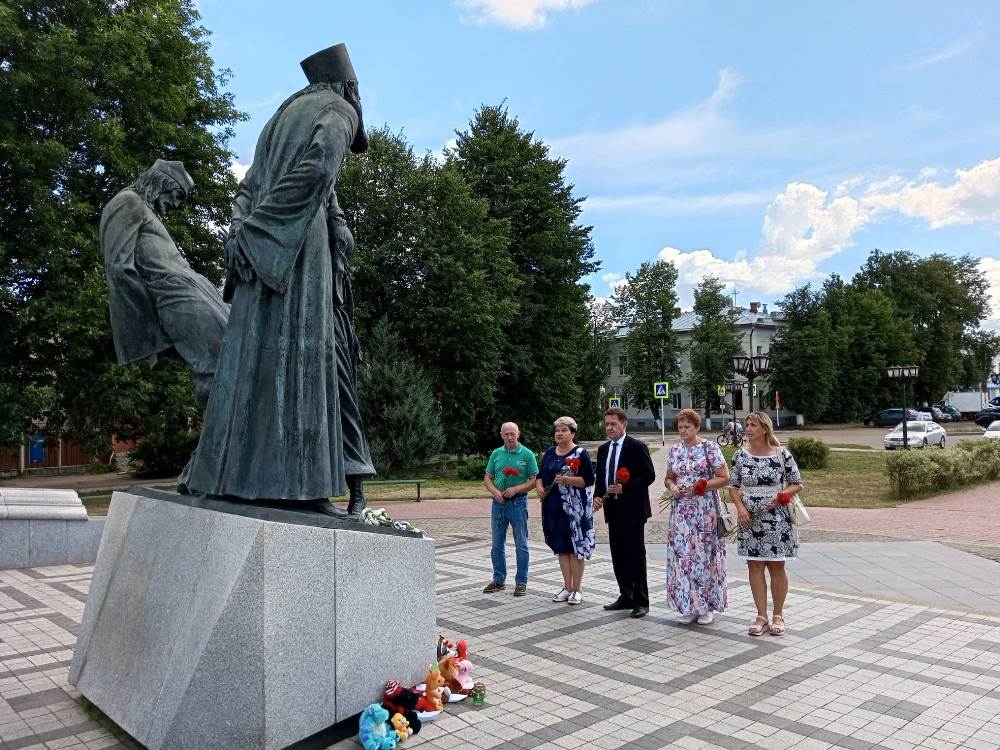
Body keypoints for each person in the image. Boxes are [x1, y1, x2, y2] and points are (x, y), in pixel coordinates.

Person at [186, 43, 372, 512]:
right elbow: (318, 170)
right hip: (296, 255)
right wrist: (268, 233)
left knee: (252, 368)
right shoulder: (339, 110)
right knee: (302, 368)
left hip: (258, 249)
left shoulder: (277, 120)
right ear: (349, 85)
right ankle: (301, 488)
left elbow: (248, 187)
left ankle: (236, 480)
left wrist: (241, 236)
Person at [101, 159, 229, 409]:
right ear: (162, 183)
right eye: (178, 195)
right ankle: (221, 442)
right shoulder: (128, 202)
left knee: (235, 353)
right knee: (218, 366)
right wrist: (152, 330)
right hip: (175, 298)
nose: (176, 204)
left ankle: (229, 440)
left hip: (196, 293)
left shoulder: (145, 209)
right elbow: (119, 269)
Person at [728, 411, 804, 636]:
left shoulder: (782, 454)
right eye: (747, 425)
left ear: (764, 429)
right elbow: (733, 486)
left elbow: (797, 483)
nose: (748, 429)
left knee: (776, 565)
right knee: (754, 565)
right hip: (749, 518)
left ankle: (778, 614)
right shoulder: (740, 455)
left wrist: (781, 496)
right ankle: (761, 615)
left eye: (753, 425)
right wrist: (741, 508)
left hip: (776, 517)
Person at [663, 409, 729, 624]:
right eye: (680, 427)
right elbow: (669, 477)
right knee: (684, 557)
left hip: (704, 510)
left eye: (687, 427)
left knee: (703, 556)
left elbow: (724, 477)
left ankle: (707, 606)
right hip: (681, 512)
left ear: (696, 427)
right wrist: (672, 486)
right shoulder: (674, 450)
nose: (682, 431)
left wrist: (700, 486)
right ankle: (689, 605)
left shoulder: (710, 447)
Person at [593, 408, 656, 618]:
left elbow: (649, 475)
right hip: (613, 510)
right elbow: (601, 476)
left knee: (635, 555)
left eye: (613, 424)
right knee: (618, 555)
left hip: (633, 510)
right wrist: (598, 496)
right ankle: (625, 596)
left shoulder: (636, 447)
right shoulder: (603, 450)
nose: (609, 427)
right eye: (607, 424)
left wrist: (625, 488)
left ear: (623, 424)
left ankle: (641, 601)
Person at [536, 417, 596, 605]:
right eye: (557, 430)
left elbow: (588, 480)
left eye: (564, 430)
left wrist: (568, 480)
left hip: (574, 510)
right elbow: (540, 475)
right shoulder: (549, 453)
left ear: (572, 433)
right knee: (561, 548)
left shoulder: (580, 453)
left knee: (575, 548)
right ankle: (566, 587)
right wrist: (539, 488)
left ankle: (577, 589)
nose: (559, 434)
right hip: (553, 508)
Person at [482, 422, 538, 596]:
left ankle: (521, 582)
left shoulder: (527, 454)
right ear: (501, 435)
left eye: (512, 433)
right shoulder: (496, 454)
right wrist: (495, 492)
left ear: (518, 434)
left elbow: (533, 480)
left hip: (518, 503)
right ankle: (499, 580)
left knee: (521, 544)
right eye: (506, 434)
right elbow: (487, 478)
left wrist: (516, 489)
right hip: (498, 504)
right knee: (496, 544)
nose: (509, 437)